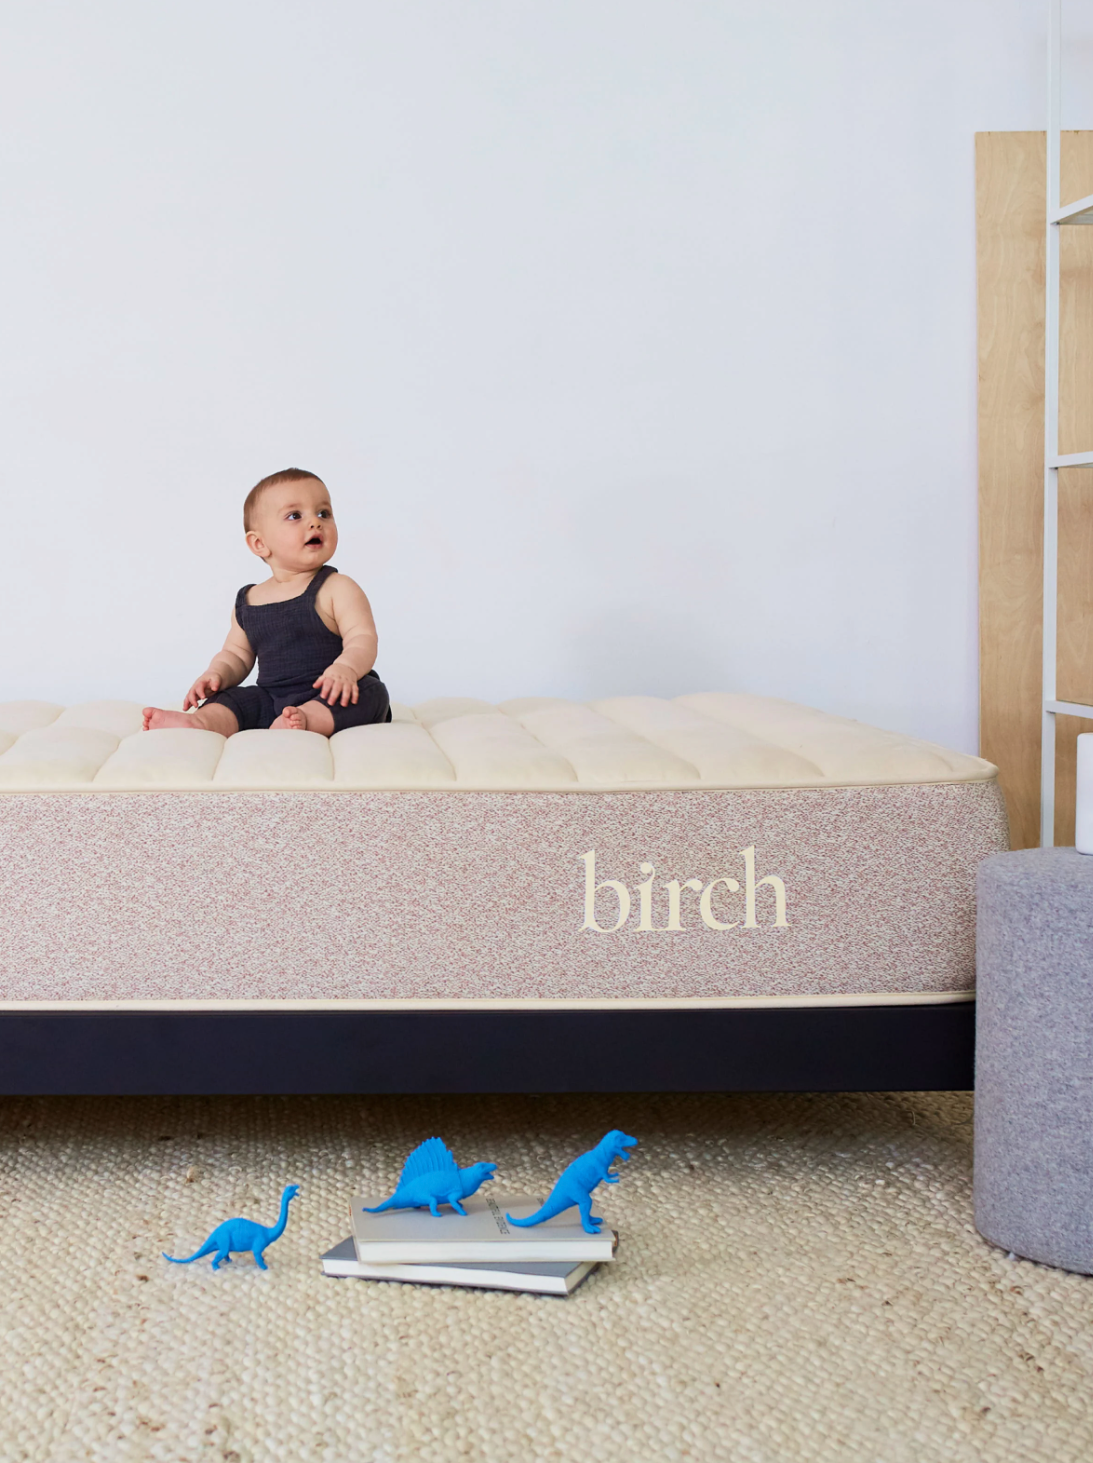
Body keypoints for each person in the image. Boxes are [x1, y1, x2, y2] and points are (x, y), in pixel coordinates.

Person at [142, 468, 390, 736]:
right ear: (259, 543)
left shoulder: (337, 587)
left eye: (324, 513)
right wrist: (216, 674)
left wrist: (346, 669)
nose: (315, 523)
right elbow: (236, 655)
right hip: (271, 699)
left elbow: (362, 637)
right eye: (295, 516)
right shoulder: (250, 600)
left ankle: (306, 719)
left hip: (329, 693)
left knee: (371, 693)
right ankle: (201, 723)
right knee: (233, 698)